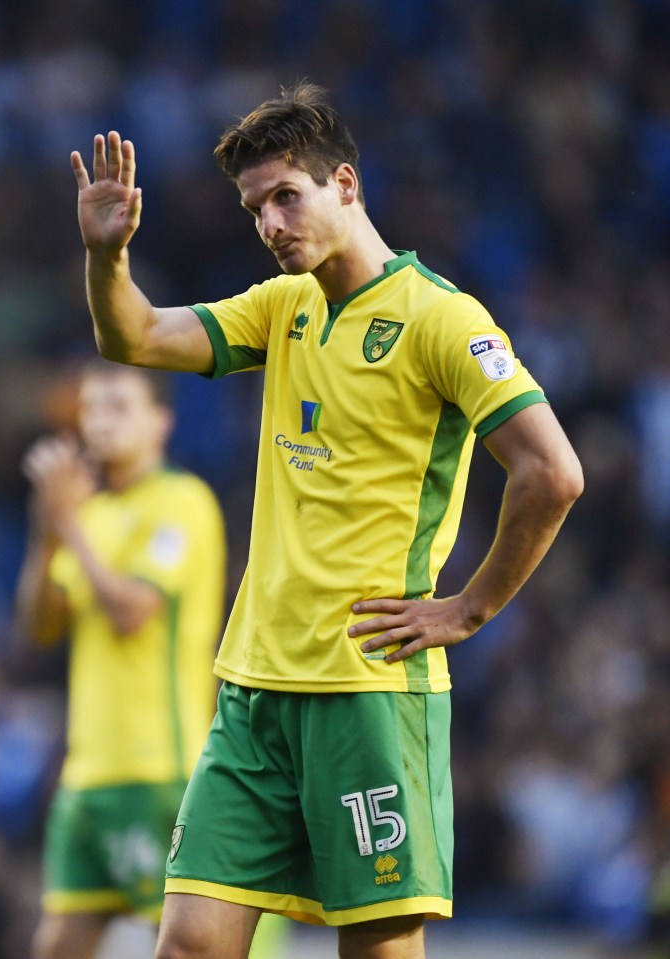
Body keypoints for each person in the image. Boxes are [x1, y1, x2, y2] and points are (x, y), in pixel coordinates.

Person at [69, 82, 584, 959]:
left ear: (345, 184)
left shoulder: (442, 320)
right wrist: (107, 259)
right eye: (255, 208)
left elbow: (553, 471)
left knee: (377, 948)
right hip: (255, 687)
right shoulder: (285, 307)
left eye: (286, 197)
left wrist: (468, 608)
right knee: (188, 941)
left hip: (368, 691)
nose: (270, 223)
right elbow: (139, 338)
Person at [15, 360, 227, 959]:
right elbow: (38, 626)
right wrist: (46, 533)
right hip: (87, 776)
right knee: (58, 945)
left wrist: (67, 527)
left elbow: (133, 610)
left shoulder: (181, 503)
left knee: (190, 945)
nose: (100, 423)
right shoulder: (92, 515)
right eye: (91, 409)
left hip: (159, 769)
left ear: (161, 422)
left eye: (118, 408)